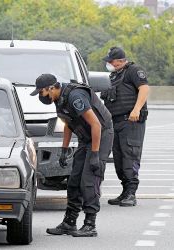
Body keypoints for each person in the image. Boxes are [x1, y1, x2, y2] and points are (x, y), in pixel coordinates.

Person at [30, 74, 113, 237]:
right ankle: (69, 223)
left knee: (89, 180)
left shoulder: (75, 96)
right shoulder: (59, 99)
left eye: (42, 92)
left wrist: (95, 154)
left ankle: (90, 224)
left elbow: (96, 124)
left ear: (51, 87)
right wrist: (64, 149)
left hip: (100, 135)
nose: (41, 96)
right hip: (86, 138)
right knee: (74, 181)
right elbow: (68, 123)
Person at [101, 47, 150, 207]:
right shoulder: (114, 75)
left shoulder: (133, 71)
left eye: (111, 61)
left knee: (130, 156)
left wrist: (136, 109)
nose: (109, 63)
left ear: (121, 60)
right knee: (119, 158)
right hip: (116, 122)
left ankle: (131, 193)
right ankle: (125, 191)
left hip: (131, 121)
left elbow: (144, 88)